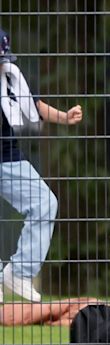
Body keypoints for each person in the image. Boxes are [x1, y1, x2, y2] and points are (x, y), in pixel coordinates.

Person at [0, 28, 83, 304]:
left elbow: (33, 104)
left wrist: (65, 117)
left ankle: (20, 273)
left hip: (7, 157)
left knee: (45, 203)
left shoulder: (11, 75)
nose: (3, 64)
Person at [0, 298, 110, 326]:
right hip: (82, 308)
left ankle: (5, 314)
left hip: (82, 306)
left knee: (42, 310)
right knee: (40, 311)